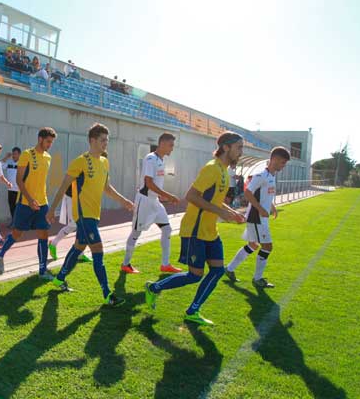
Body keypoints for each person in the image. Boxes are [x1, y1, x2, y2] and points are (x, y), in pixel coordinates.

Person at [145, 132, 246, 326]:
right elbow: (191, 196)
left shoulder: (225, 170)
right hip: (195, 230)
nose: (241, 152)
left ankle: (193, 310)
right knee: (194, 275)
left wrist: (231, 212)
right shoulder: (212, 169)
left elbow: (213, 200)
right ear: (226, 147)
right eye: (239, 147)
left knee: (217, 271)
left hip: (209, 230)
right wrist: (220, 211)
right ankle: (154, 288)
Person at [47, 123, 134, 307]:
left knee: (79, 246)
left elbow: (107, 188)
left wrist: (124, 201)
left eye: (107, 140)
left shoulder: (104, 161)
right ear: (92, 140)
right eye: (102, 140)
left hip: (94, 215)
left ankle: (59, 278)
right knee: (98, 252)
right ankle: (107, 294)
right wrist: (51, 209)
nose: (105, 143)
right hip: (82, 215)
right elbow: (63, 186)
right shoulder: (80, 161)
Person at [0, 128, 57, 278]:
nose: (50, 145)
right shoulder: (27, 155)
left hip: (42, 203)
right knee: (17, 233)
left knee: (43, 234)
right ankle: (0, 253)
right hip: (25, 203)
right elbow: (19, 180)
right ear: (40, 139)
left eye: (51, 142)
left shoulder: (48, 157)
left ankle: (42, 271)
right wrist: (30, 199)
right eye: (48, 141)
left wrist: (45, 204)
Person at [225, 146, 291, 288]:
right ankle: (257, 279)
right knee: (267, 246)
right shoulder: (261, 175)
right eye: (282, 163)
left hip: (261, 217)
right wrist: (261, 209)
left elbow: (265, 194)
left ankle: (229, 269)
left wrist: (271, 207)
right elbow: (248, 193)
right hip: (256, 217)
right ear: (274, 159)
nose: (283, 166)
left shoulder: (272, 176)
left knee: (253, 245)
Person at [121, 132, 182, 274]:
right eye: (170, 145)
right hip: (144, 202)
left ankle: (165, 264)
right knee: (136, 233)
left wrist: (162, 197)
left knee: (167, 229)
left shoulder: (161, 160)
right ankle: (125, 264)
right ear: (162, 144)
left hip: (155, 202)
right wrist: (168, 195)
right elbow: (148, 183)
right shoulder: (150, 159)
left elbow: (155, 184)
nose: (172, 148)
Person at [47, 183, 92, 264]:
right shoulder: (74, 170)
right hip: (71, 197)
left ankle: (80, 253)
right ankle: (53, 243)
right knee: (72, 226)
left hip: (82, 197)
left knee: (82, 225)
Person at [1, 147, 21, 225]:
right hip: (11, 189)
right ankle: (14, 222)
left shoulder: (22, 163)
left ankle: (18, 223)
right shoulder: (9, 162)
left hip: (19, 190)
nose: (14, 155)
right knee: (12, 207)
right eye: (13, 154)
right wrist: (6, 157)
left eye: (15, 154)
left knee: (18, 208)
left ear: (19, 154)